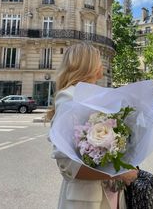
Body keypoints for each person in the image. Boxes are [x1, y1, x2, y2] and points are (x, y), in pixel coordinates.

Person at [47, 42, 138, 209]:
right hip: (86, 200)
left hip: (113, 196)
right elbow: (67, 165)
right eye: (98, 59)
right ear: (87, 64)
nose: (102, 64)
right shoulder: (69, 97)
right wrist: (119, 173)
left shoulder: (97, 95)